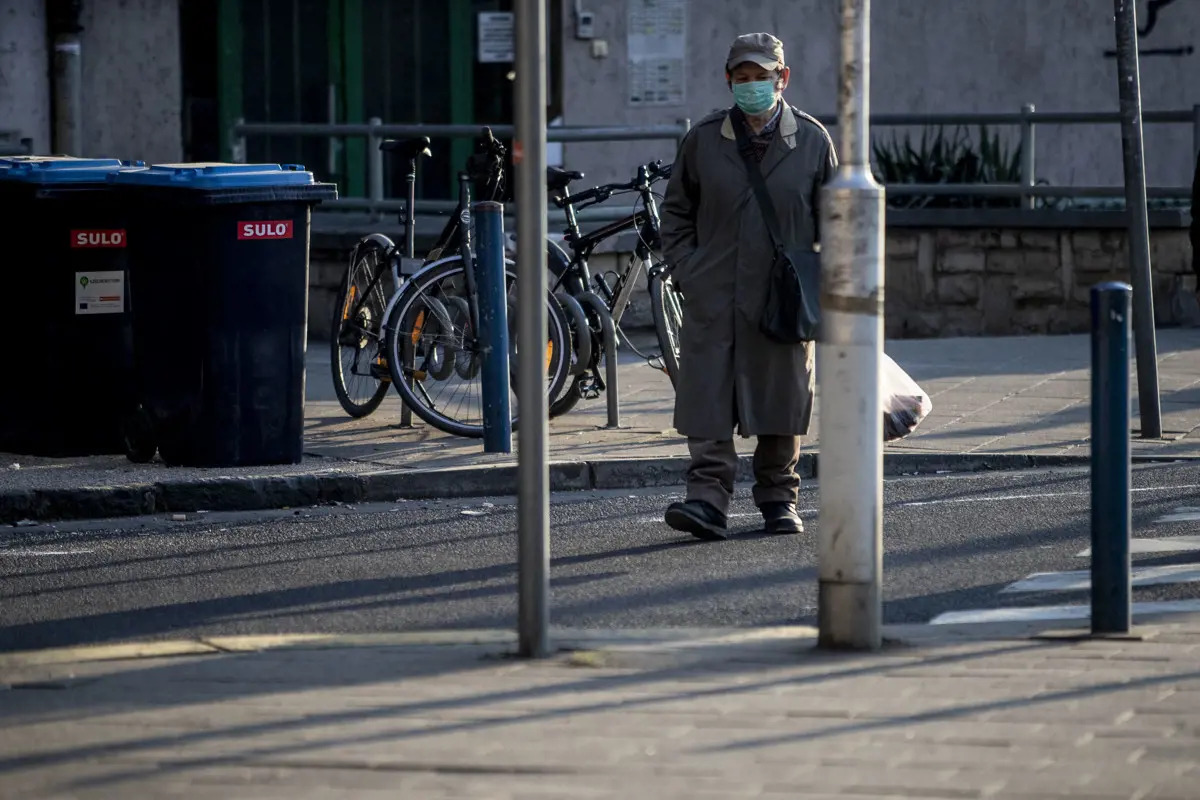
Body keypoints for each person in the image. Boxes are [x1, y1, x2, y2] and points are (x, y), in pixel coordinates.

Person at [659, 32, 837, 541]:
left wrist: (825, 287)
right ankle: (707, 500)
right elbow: (676, 212)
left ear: (783, 78)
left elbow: (836, 224)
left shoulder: (811, 141)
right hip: (713, 293)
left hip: (780, 297)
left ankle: (779, 498)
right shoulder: (704, 139)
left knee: (782, 398)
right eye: (743, 78)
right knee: (708, 396)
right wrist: (687, 270)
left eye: (763, 77)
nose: (752, 86)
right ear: (728, 80)